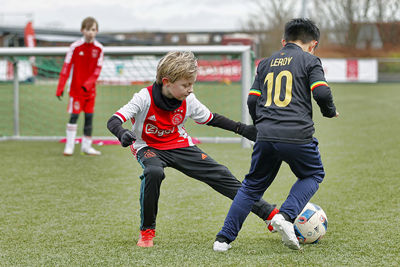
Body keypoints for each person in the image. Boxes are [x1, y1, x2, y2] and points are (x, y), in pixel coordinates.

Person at [107, 51, 279, 248]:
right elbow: (113, 120)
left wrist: (243, 129)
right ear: (167, 82)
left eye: (192, 84)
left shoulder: (189, 100)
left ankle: (270, 215)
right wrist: (122, 133)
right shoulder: (143, 97)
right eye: (186, 85)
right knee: (153, 172)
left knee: (221, 173)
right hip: (148, 147)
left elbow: (212, 118)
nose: (190, 89)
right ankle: (147, 232)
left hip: (180, 145)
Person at [213, 18, 339, 252]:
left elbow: (252, 99)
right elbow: (321, 93)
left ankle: (223, 239)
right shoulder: (311, 60)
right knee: (313, 174)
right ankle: (286, 215)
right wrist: (330, 112)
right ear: (313, 44)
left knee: (251, 187)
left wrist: (261, 124)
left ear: (283, 41)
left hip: (266, 135)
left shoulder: (266, 62)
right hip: (297, 135)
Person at [56, 16, 104, 156]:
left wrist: (88, 84)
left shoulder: (99, 48)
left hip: (90, 91)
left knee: (89, 118)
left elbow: (97, 70)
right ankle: (69, 146)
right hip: (76, 91)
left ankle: (86, 146)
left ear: (97, 31)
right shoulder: (74, 47)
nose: (90, 32)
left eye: (93, 30)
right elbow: (66, 67)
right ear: (82, 30)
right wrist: (60, 87)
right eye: (88, 29)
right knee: (74, 117)